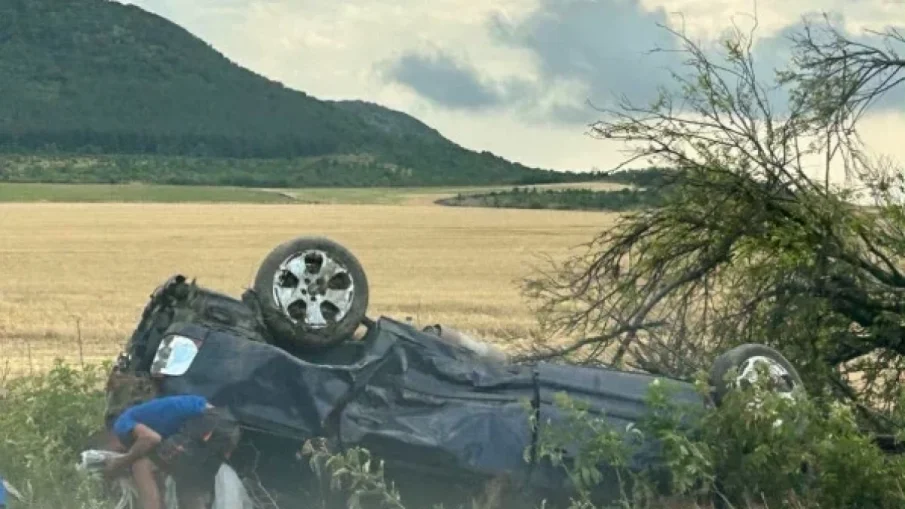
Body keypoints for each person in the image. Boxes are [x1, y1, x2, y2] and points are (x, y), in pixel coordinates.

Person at [96, 394, 241, 509]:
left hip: (208, 422)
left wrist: (120, 462)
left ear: (110, 434)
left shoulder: (122, 422)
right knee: (189, 489)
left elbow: (151, 438)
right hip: (227, 429)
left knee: (141, 466)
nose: (118, 449)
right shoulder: (157, 419)